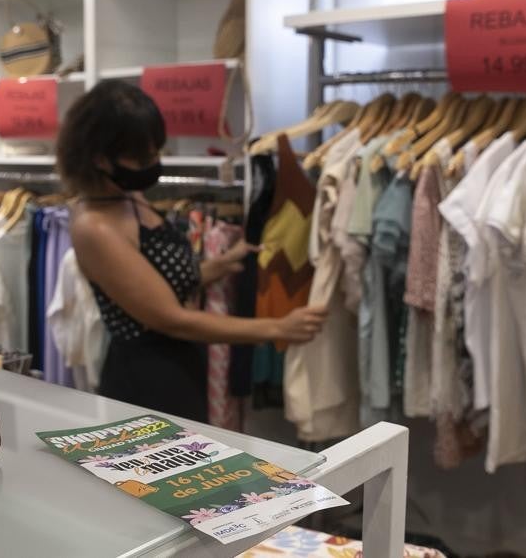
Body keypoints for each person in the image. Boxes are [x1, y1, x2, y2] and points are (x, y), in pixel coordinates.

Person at [58, 80, 326, 421]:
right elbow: (172, 319)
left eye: (157, 150)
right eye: (143, 156)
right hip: (147, 383)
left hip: (180, 368)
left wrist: (221, 263)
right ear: (100, 159)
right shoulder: (94, 227)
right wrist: (276, 328)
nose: (154, 161)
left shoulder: (127, 197)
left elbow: (160, 281)